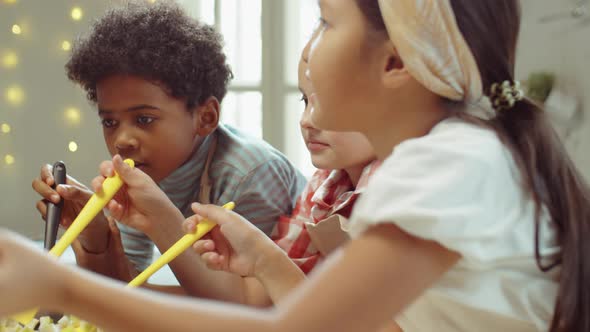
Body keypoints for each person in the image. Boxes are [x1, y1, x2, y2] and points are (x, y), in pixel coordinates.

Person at [4, 0, 589, 331]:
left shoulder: (450, 166)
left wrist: (60, 285)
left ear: (394, 63)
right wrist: (265, 258)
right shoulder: (453, 157)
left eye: (327, 22)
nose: (311, 45)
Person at [30, 0, 306, 298]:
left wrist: (160, 216)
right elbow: (127, 286)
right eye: (110, 122)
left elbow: (241, 306)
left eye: (144, 119)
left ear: (206, 117)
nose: (123, 140)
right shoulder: (150, 168)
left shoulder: (249, 174)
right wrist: (96, 234)